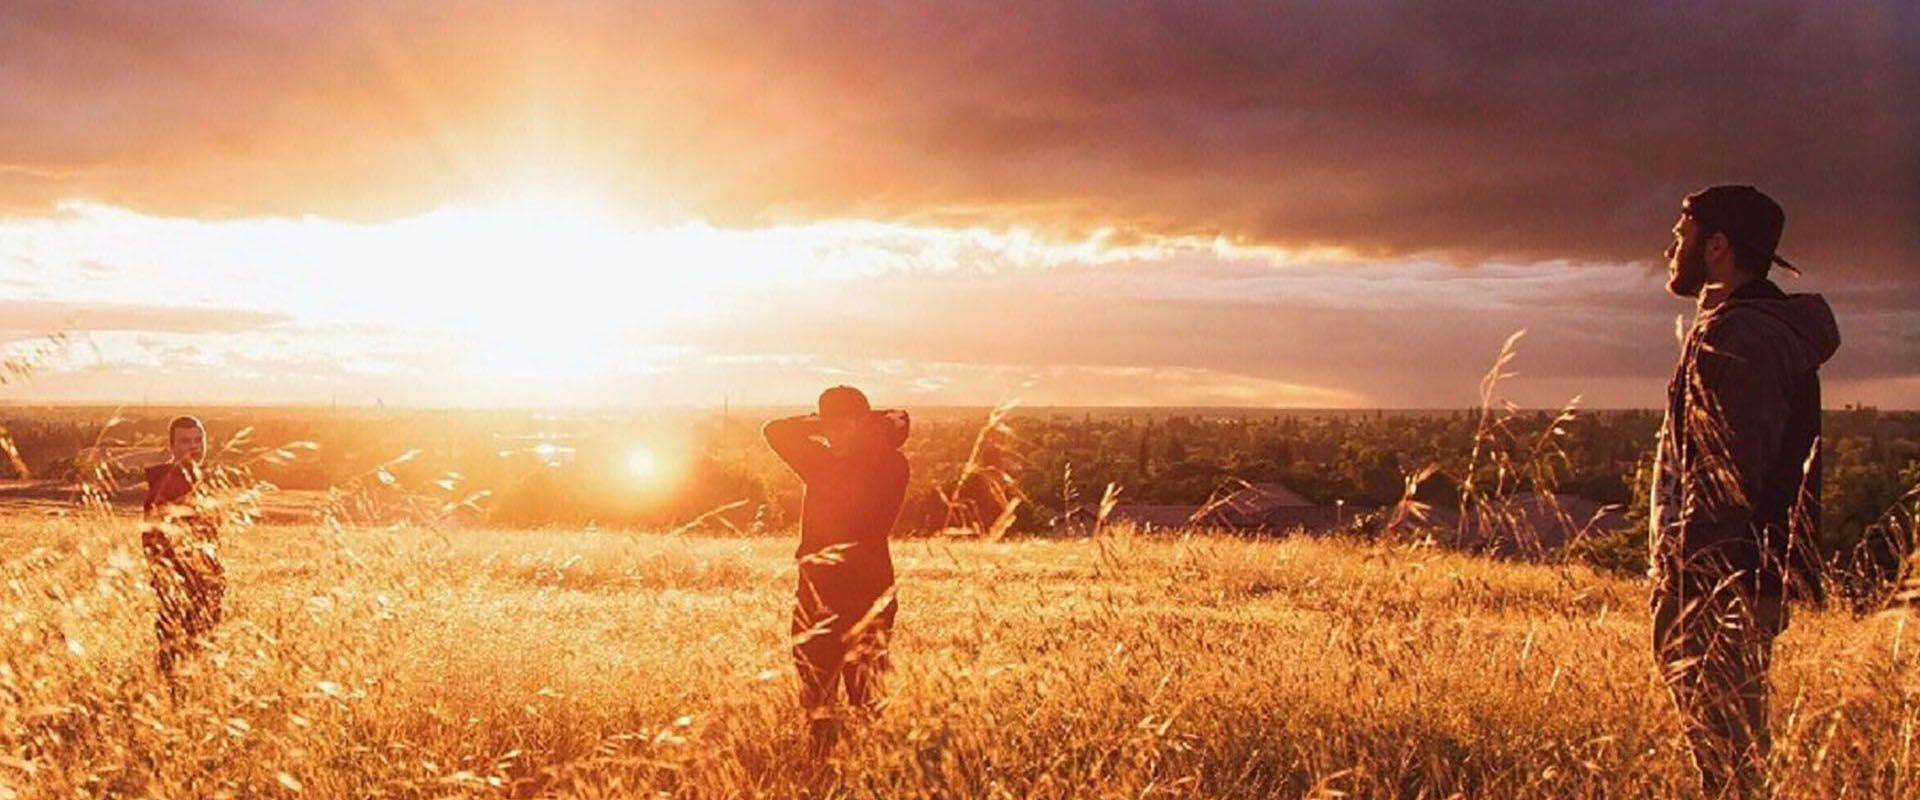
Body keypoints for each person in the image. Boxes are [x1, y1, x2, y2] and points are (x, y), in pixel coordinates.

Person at [1649, 185, 1838, 798]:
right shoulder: (1734, 326)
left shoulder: (1745, 337)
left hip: (1720, 582)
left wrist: (1695, 578)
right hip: (1726, 577)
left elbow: (1733, 476)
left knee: (1730, 768)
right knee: (1728, 758)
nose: (1672, 248)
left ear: (1718, 246)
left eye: (1683, 236)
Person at [763, 387, 910, 761]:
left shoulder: (889, 464)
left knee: (867, 699)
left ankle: (872, 774)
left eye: (842, 425)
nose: (833, 434)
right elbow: (775, 431)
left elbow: (885, 446)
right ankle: (823, 772)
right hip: (816, 593)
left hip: (867, 594)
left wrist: (870, 425)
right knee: (816, 697)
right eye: (827, 425)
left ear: (863, 425)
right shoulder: (819, 461)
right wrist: (826, 423)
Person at [140, 415, 227, 688]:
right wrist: (176, 579)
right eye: (185, 441)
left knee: (198, 651)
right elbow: (154, 538)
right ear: (172, 446)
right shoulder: (168, 483)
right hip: (181, 584)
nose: (193, 446)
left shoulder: (195, 479)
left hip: (202, 583)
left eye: (198, 439)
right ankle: (174, 704)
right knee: (179, 650)